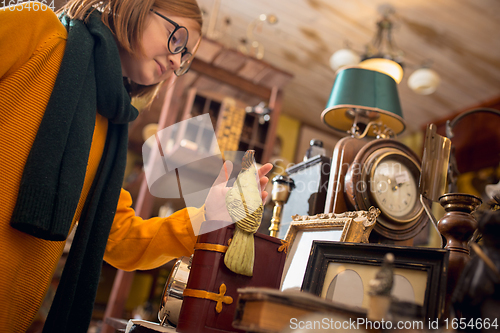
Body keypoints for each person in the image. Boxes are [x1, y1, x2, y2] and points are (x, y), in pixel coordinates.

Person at [0, 0, 273, 332]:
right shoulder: (37, 29)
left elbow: (120, 240)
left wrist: (210, 215)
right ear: (135, 7)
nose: (176, 60)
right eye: (176, 37)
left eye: (185, 55)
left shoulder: (111, 123)